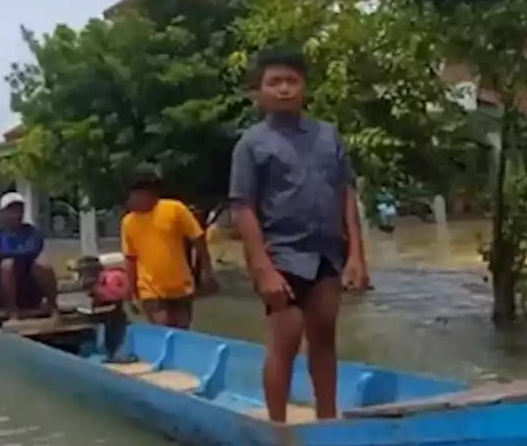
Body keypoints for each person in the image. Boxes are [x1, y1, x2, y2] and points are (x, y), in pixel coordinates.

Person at [229, 48, 368, 422]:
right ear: (258, 92)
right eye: (275, 82)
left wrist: (356, 255)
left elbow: (346, 194)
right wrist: (262, 268)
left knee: (324, 339)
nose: (285, 89)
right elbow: (243, 207)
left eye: (292, 81)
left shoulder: (327, 135)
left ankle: (327, 420)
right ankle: (278, 428)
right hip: (281, 254)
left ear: (304, 87)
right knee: (284, 341)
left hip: (326, 253)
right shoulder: (252, 143)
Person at [120, 171, 217, 329]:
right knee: (163, 328)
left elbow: (197, 238)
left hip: (181, 285)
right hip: (149, 288)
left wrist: (207, 270)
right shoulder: (128, 222)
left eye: (132, 196)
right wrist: (129, 292)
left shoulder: (174, 210)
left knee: (182, 332)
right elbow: (131, 258)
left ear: (147, 193)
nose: (129, 202)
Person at [0, 192, 58, 322]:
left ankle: (53, 309)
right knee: (7, 266)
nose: (16, 214)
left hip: (30, 286)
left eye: (19, 210)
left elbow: (32, 251)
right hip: (4, 292)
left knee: (44, 265)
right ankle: (13, 313)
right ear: (3, 214)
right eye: (11, 211)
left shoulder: (32, 232)